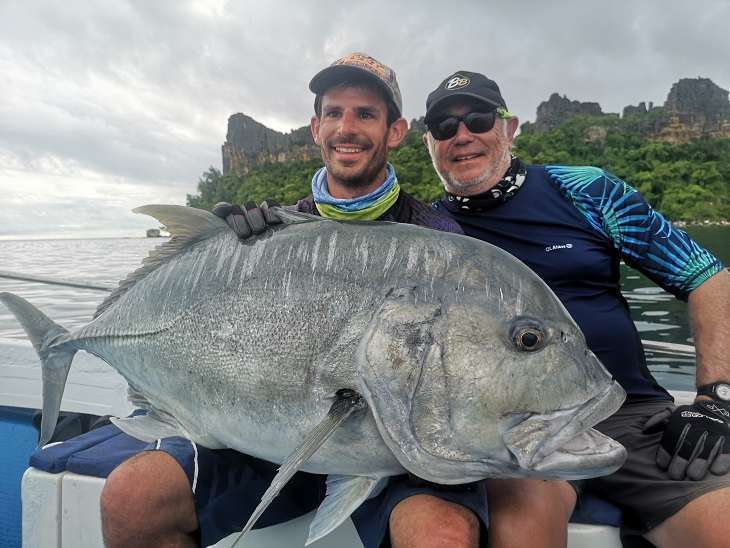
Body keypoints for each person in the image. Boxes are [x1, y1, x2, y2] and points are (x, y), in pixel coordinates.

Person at [82, 53, 488, 548]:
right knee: (131, 496)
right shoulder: (271, 233)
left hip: (400, 449)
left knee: (441, 538)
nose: (348, 128)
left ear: (396, 130)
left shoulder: (437, 242)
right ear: (316, 128)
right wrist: (217, 255)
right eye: (334, 113)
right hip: (274, 440)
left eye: (366, 114)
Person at [421, 70, 730, 547]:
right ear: (429, 143)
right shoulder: (429, 234)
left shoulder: (586, 191)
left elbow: (708, 278)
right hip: (517, 429)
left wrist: (716, 400)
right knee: (521, 527)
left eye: (478, 119)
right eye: (444, 127)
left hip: (634, 414)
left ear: (510, 127)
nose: (462, 136)